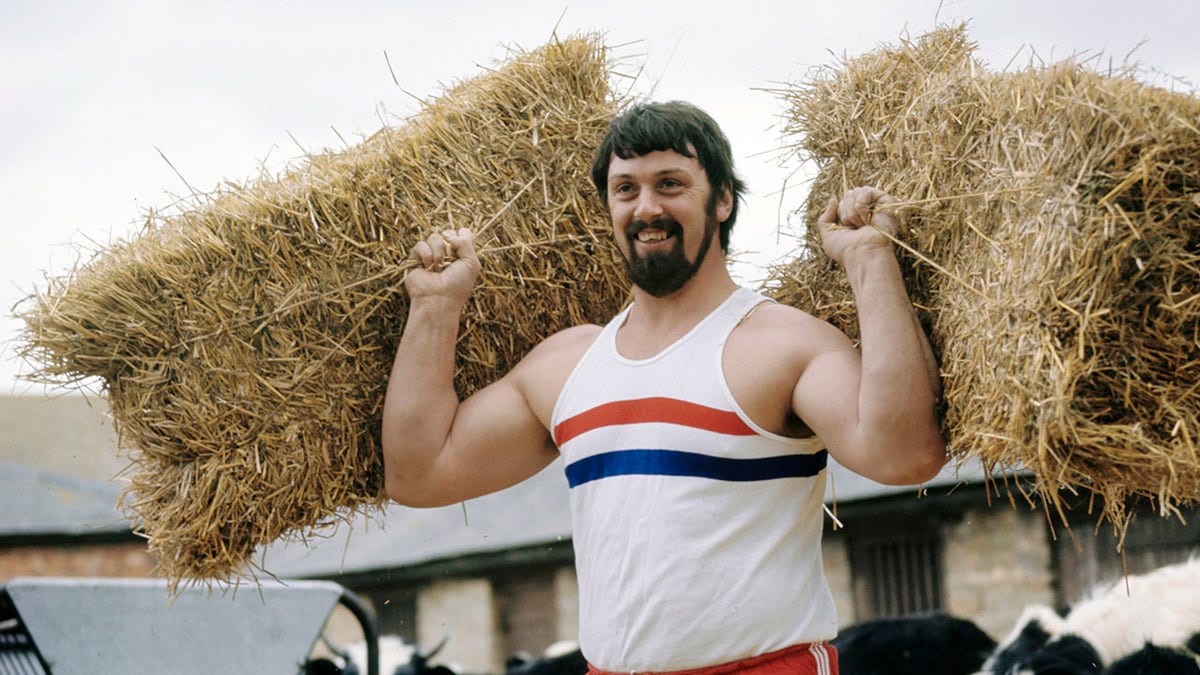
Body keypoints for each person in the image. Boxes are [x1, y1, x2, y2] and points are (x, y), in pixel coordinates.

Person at [382, 100, 947, 675]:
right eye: (625, 189)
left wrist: (870, 260)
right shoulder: (567, 364)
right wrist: (435, 305)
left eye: (670, 184)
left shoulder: (783, 344)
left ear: (722, 198)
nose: (646, 207)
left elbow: (905, 456)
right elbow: (419, 473)